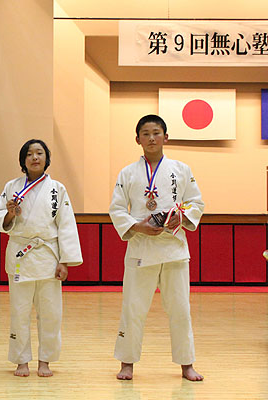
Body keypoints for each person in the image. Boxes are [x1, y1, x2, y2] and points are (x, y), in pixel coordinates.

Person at [109, 114, 204, 381]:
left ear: (166, 137)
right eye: (146, 133)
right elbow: (116, 209)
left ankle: (187, 364)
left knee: (180, 308)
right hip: (141, 246)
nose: (152, 138)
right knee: (133, 307)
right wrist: (137, 226)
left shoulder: (182, 169)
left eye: (156, 133)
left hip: (173, 246)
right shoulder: (127, 173)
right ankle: (127, 362)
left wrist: (182, 217)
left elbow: (196, 203)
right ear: (137, 139)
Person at [0, 139, 82, 377]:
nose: (35, 157)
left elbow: (66, 225)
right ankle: (21, 361)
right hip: (21, 254)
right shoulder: (12, 186)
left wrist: (65, 260)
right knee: (19, 311)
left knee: (51, 313)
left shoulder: (57, 189)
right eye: (30, 154)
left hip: (48, 256)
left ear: (46, 158)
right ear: (23, 160)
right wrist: (9, 215)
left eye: (39, 153)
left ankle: (45, 360)